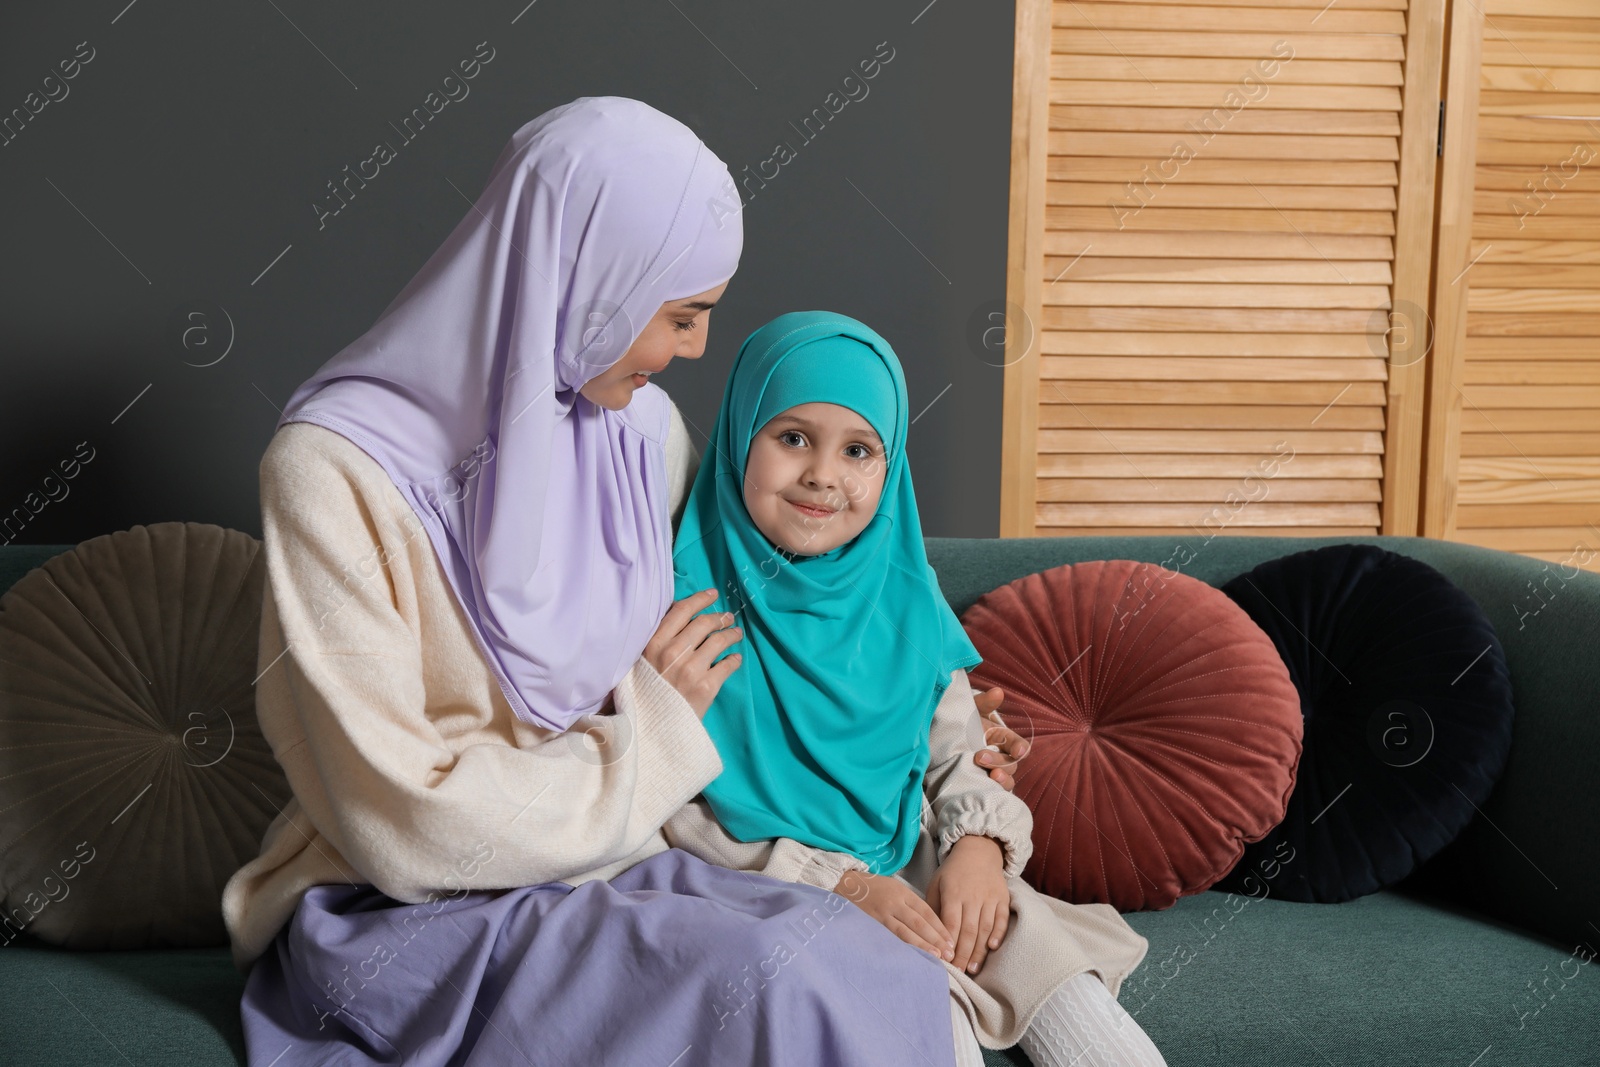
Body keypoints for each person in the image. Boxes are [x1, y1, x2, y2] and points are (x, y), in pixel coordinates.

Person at [221, 97, 1029, 1065]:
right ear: (589, 279)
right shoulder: (333, 473)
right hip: (416, 901)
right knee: (773, 969)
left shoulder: (643, 436)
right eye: (680, 314)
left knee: (866, 956)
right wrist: (650, 733)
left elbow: (761, 609)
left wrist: (919, 719)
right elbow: (401, 826)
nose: (693, 350)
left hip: (632, 862)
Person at [663, 311, 1169, 1067]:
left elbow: (955, 746)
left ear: (889, 464)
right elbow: (676, 807)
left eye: (858, 449)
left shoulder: (903, 593)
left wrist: (977, 847)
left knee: (1057, 981)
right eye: (793, 436)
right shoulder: (686, 603)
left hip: (916, 859)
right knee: (920, 1018)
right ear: (742, 433)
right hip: (776, 888)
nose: (823, 475)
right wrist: (841, 882)